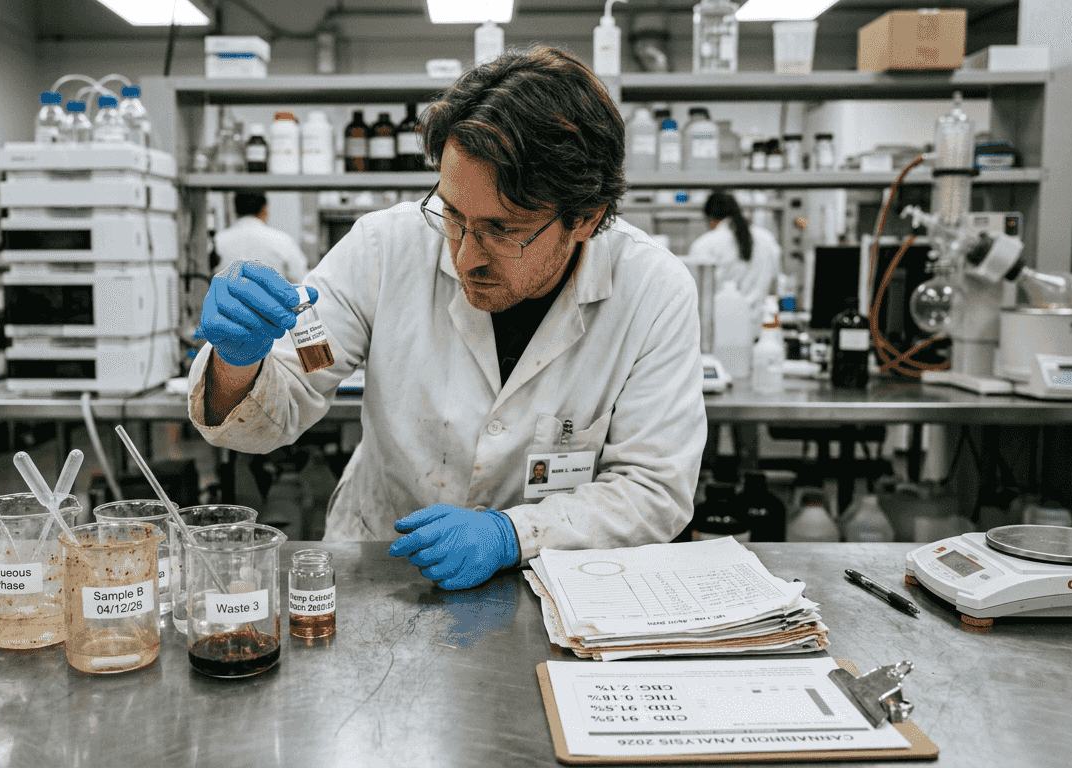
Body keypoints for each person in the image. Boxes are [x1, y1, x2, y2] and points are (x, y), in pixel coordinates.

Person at [189, 47, 706, 591]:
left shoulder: (652, 289)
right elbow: (284, 397)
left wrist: (513, 534)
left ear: (584, 217)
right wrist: (236, 362)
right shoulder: (384, 248)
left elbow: (654, 488)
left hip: (549, 583)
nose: (464, 257)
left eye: (502, 230)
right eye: (453, 215)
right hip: (383, 568)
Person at [687, 190, 781, 340]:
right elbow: (774, 288)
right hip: (760, 335)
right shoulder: (767, 240)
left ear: (710, 219)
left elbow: (694, 299)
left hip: (719, 336)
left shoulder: (705, 245)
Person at [213, 191, 309, 284]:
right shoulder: (283, 241)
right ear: (264, 209)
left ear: (235, 210)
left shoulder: (217, 242)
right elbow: (301, 281)